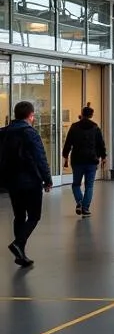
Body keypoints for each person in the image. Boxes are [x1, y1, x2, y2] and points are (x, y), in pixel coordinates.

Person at [2, 101, 52, 266]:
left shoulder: (5, 132)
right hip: (30, 181)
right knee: (34, 215)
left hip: (11, 181)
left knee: (19, 216)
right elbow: (40, 157)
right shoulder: (30, 132)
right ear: (31, 116)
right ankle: (18, 244)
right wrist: (47, 179)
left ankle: (20, 254)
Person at [62, 105, 106, 217]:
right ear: (91, 115)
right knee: (89, 185)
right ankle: (85, 208)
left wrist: (65, 156)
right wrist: (103, 156)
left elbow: (68, 143)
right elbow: (100, 144)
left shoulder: (74, 127)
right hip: (91, 160)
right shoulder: (95, 128)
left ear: (82, 114)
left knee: (76, 184)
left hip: (77, 160)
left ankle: (80, 202)